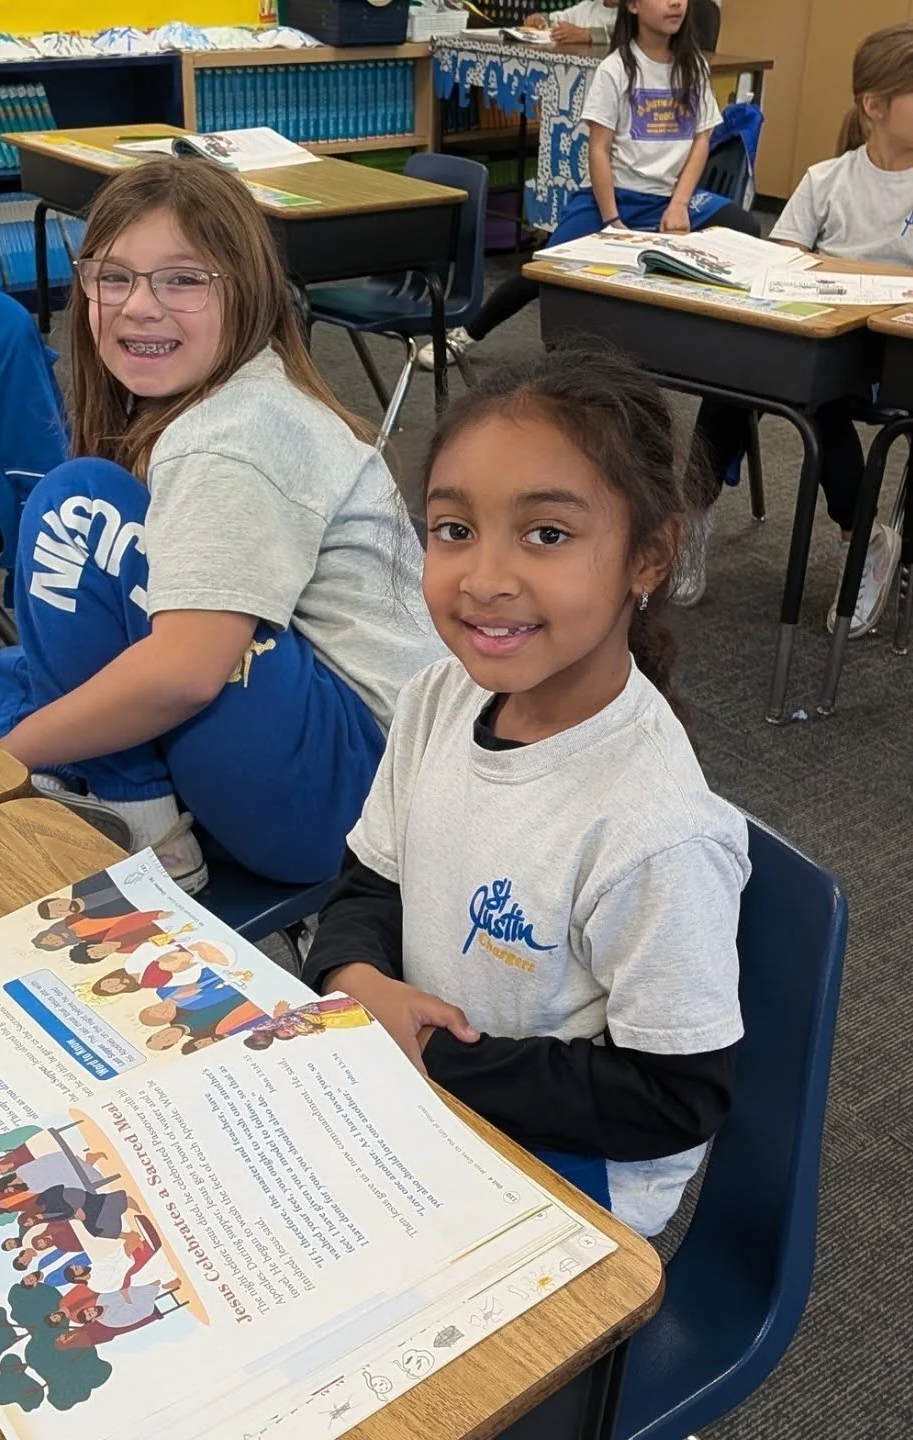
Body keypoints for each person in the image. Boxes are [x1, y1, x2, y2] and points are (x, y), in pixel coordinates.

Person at [301, 346, 748, 1238]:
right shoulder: (438, 697)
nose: (485, 578)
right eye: (453, 529)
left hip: (569, 1180)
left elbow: (674, 1098)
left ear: (648, 558)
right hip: (428, 1095)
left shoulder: (655, 832)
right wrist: (355, 980)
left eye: (547, 534)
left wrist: (428, 1053)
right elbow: (369, 882)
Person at [0, 157, 439, 894]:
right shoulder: (226, 400)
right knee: (0, 683)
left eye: (183, 280)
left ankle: (144, 827)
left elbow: (184, 673)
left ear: (244, 292)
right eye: (112, 276)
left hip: (353, 802)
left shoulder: (231, 435)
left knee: (76, 506)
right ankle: (120, 786)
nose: (139, 306)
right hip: (330, 770)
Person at [687, 22, 913, 630]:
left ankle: (862, 541)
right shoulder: (828, 179)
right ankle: (691, 514)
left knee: (818, 398)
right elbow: (777, 263)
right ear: (875, 106)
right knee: (740, 366)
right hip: (821, 342)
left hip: (891, 359)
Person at [419, 0, 759, 372]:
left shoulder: (692, 65)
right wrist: (612, 220)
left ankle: (717, 346)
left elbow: (701, 141)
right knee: (544, 267)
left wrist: (679, 204)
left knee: (745, 227)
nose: (676, 2)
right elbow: (597, 149)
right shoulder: (616, 69)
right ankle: (465, 334)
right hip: (611, 197)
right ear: (633, 6)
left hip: (671, 198)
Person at [522, 0, 619, 47]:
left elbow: (627, 34)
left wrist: (587, 35)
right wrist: (540, 20)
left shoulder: (632, 16)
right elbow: (557, 20)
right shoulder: (587, 8)